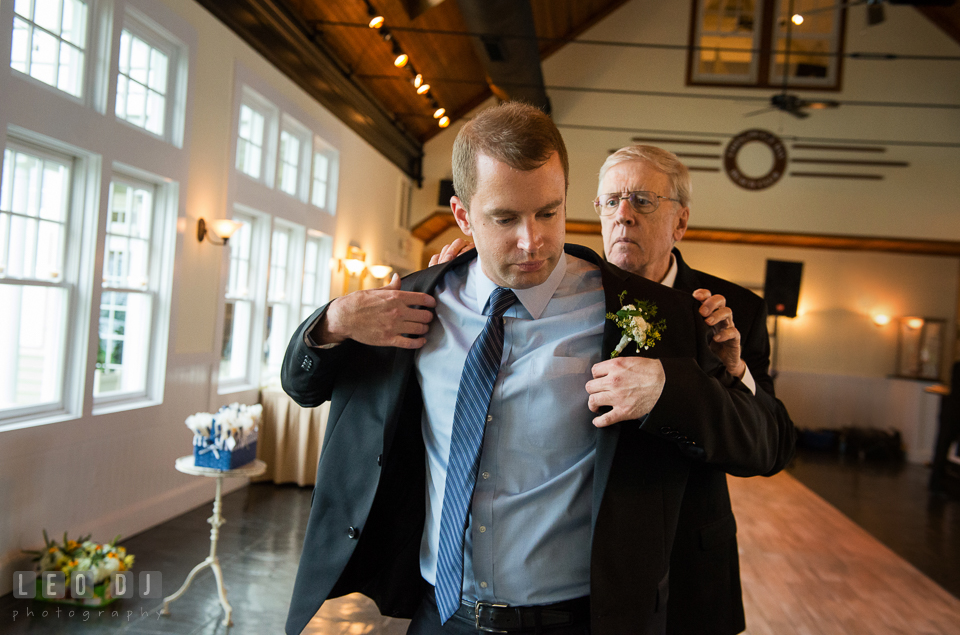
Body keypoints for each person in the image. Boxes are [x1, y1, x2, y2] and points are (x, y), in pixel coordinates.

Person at [281, 102, 788, 635]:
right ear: (463, 216)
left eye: (549, 212)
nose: (534, 240)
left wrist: (677, 387)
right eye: (505, 219)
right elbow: (303, 384)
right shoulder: (412, 306)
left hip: (578, 619)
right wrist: (331, 321)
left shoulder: (656, 314)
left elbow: (762, 441)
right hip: (440, 614)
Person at [596, 145, 796, 635]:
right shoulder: (567, 298)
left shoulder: (736, 313)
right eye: (610, 201)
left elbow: (770, 448)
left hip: (685, 569)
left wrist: (734, 372)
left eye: (642, 201)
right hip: (580, 565)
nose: (623, 215)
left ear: (680, 223)